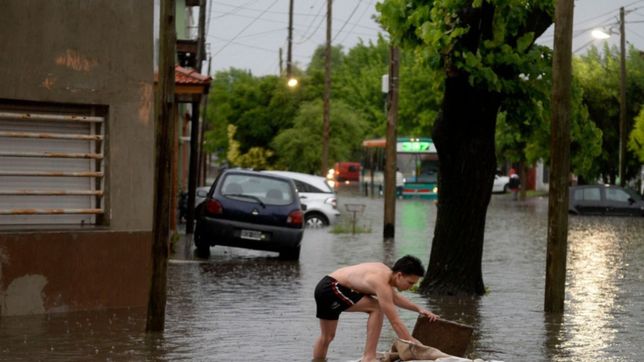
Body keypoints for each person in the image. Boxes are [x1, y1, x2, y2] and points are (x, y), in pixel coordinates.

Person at [312, 255, 439, 362]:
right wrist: (412, 343)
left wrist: (419, 309)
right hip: (332, 288)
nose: (411, 287)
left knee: (327, 337)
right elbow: (394, 321)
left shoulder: (387, 274)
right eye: (410, 283)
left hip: (325, 286)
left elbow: (394, 298)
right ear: (399, 275)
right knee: (377, 307)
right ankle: (369, 357)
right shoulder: (381, 282)